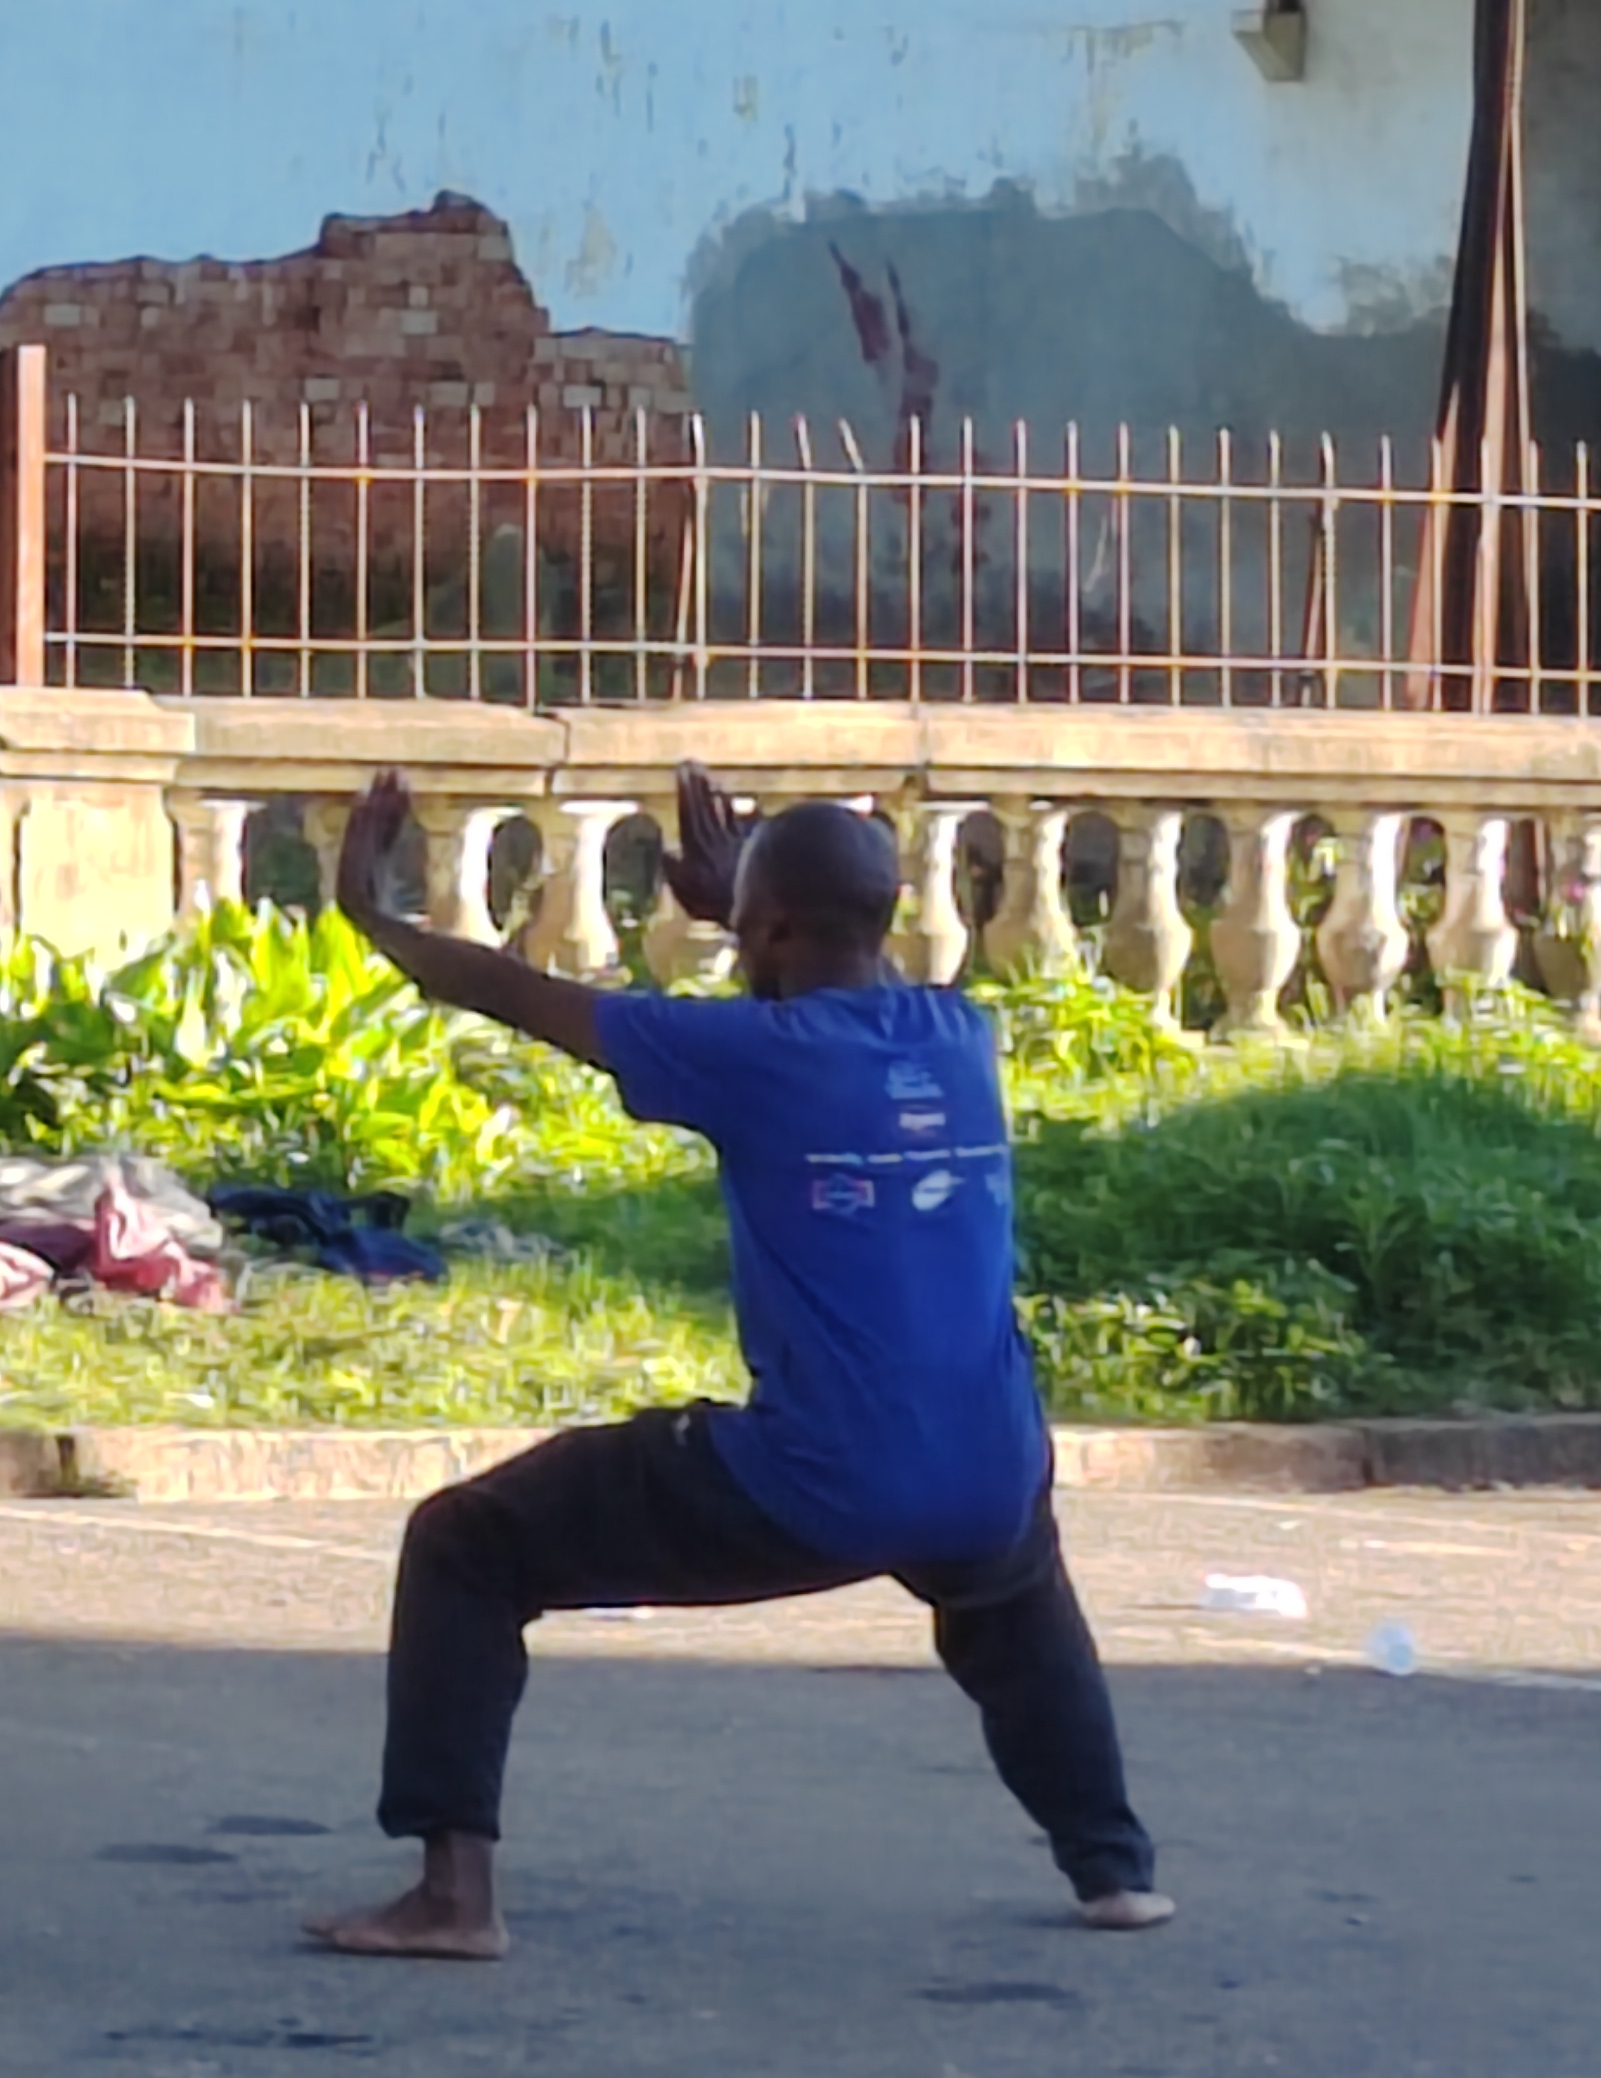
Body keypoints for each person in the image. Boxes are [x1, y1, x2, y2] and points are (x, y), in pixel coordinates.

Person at [305, 764, 1167, 1960]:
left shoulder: (747, 1056)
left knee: (467, 1543)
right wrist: (751, 912)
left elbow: (518, 995)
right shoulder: (956, 1032)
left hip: (818, 1476)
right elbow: (819, 960)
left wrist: (375, 914)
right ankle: (1113, 1870)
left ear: (760, 930)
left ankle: (454, 1896)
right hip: (991, 1458)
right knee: (1006, 1589)